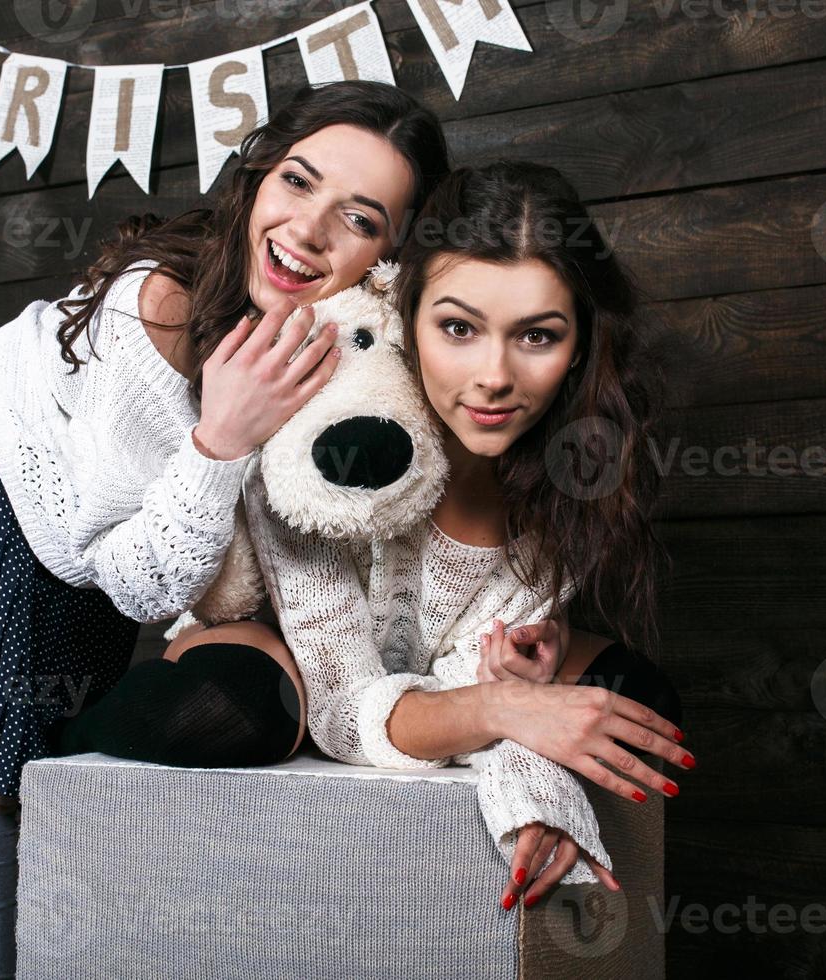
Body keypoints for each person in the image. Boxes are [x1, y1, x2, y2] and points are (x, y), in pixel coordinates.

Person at [0, 80, 451, 980]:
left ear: (392, 251)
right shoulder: (163, 306)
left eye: (359, 218)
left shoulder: (348, 331)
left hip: (63, 515)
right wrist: (222, 437)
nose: (309, 231)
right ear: (260, 173)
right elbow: (134, 582)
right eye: (298, 183)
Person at [239, 159, 689, 912]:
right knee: (234, 708)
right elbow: (342, 711)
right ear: (404, 312)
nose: (493, 377)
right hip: (293, 676)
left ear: (579, 345)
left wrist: (520, 705)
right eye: (457, 328)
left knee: (640, 711)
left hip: (428, 696)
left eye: (537, 337)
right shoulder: (332, 437)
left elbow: (473, 683)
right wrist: (507, 714)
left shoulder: (571, 478)